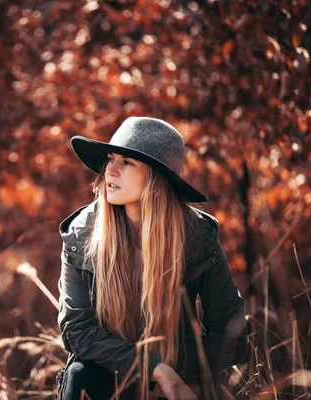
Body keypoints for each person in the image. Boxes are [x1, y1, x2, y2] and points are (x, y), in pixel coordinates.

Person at [55, 117, 248, 400]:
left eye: (128, 162)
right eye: (111, 159)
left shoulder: (196, 238)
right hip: (109, 375)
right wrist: (154, 370)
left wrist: (179, 374)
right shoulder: (82, 235)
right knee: (80, 376)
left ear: (157, 177)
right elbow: (77, 330)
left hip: (179, 380)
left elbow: (232, 333)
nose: (112, 171)